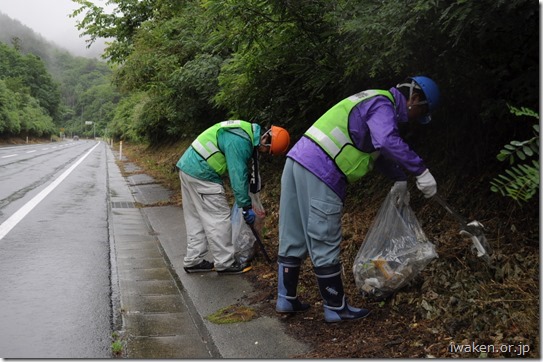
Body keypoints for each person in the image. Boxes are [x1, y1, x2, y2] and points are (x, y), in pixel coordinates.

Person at [275, 76, 441, 322]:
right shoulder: (382, 105)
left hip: (296, 161)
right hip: (321, 169)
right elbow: (385, 141)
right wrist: (420, 171)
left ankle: (285, 299)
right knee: (324, 235)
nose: (417, 119)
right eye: (421, 112)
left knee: (293, 232)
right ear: (414, 99)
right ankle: (335, 307)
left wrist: (399, 178)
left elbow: (378, 151)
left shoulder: (371, 100)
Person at [177, 120, 290, 275]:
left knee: (195, 218)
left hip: (188, 168)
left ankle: (193, 260)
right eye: (267, 150)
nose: (264, 153)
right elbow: (238, 176)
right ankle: (225, 263)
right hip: (203, 173)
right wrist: (246, 206)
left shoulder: (243, 131)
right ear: (265, 140)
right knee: (219, 218)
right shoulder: (241, 141)